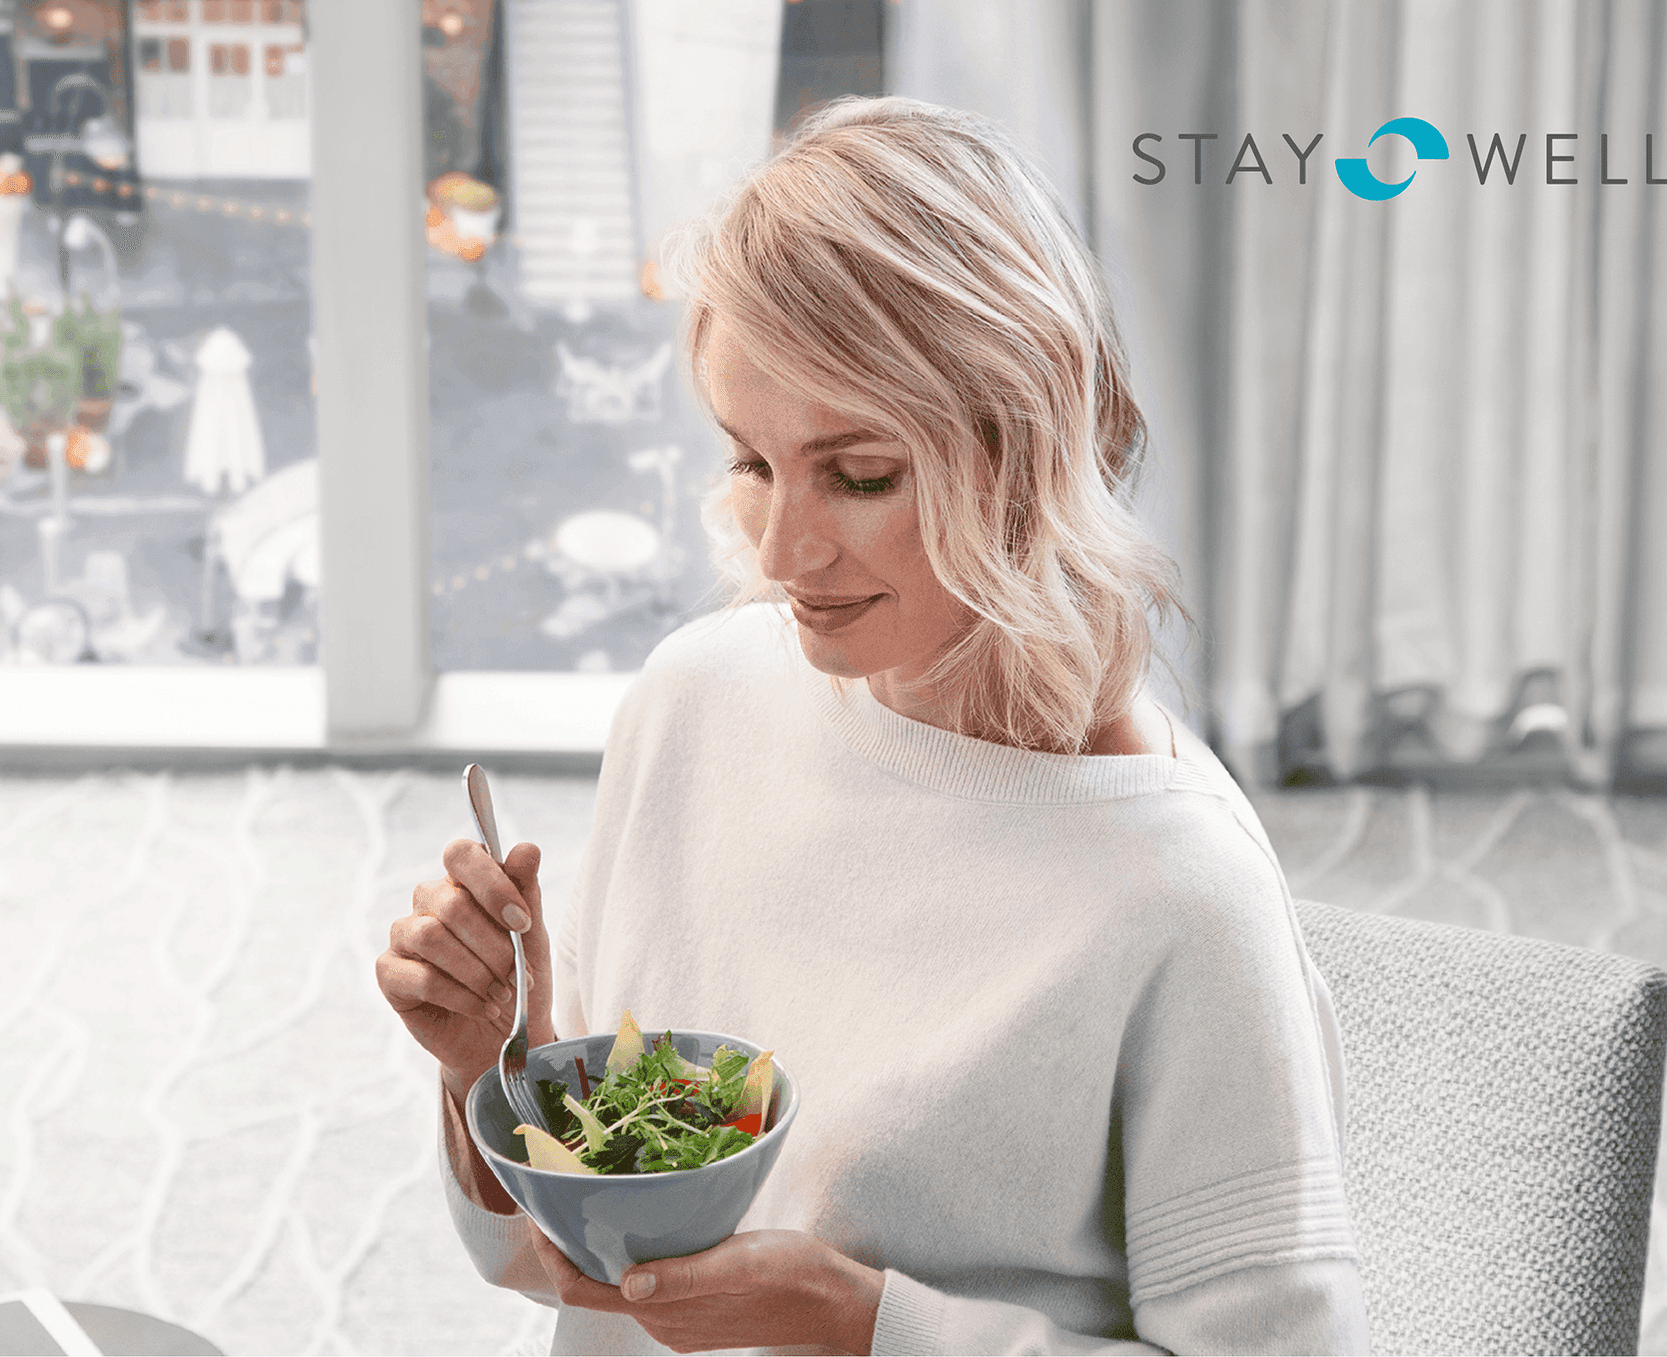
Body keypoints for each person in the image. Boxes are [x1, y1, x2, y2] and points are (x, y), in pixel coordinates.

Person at [377, 96, 1369, 1356]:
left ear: (1023, 454)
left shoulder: (1179, 890)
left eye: (859, 475)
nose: (782, 549)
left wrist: (857, 1321)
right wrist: (494, 1072)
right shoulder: (694, 704)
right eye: (751, 461)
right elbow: (563, 1269)